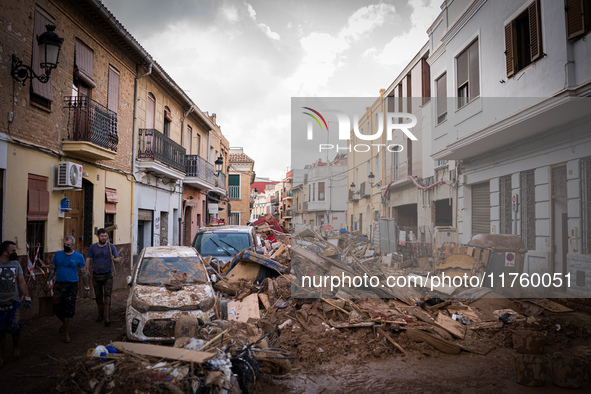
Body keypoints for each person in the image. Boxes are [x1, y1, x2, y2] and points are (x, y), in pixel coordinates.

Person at [47, 236, 89, 343]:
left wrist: (86, 286)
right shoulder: (58, 254)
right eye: (65, 245)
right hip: (59, 284)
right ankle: (66, 324)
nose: (66, 247)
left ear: (73, 245)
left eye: (68, 245)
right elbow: (52, 268)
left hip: (71, 286)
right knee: (56, 308)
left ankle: (67, 334)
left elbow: (83, 272)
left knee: (69, 310)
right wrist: (48, 281)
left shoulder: (78, 256)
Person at [0, 241, 31, 367]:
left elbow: (22, 282)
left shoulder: (16, 264)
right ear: (5, 252)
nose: (15, 253)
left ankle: (16, 347)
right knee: (0, 332)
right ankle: (1, 356)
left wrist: (27, 297)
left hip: (14, 302)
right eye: (13, 251)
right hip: (0, 304)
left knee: (16, 327)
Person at [86, 228, 119, 326]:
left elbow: (118, 259)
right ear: (98, 236)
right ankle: (100, 315)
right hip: (96, 275)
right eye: (102, 236)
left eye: (105, 236)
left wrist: (114, 259)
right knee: (98, 297)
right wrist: (87, 269)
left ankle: (107, 318)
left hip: (108, 275)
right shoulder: (93, 247)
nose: (104, 238)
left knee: (107, 296)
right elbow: (88, 258)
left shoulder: (111, 247)